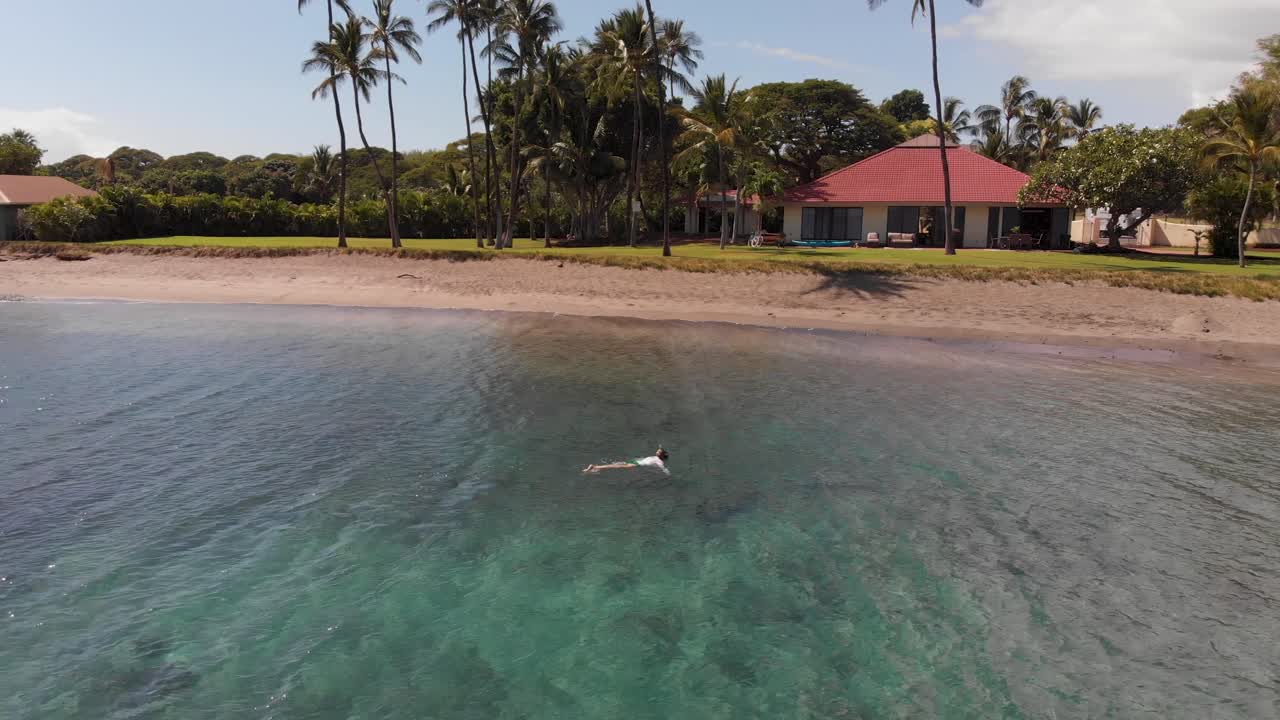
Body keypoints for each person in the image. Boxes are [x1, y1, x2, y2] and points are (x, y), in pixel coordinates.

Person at [584, 447, 670, 476]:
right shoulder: (660, 462)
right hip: (637, 464)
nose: (656, 451)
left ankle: (597, 468)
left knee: (618, 464)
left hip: (636, 461)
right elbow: (663, 468)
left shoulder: (655, 457)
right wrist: (668, 474)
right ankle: (595, 467)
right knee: (617, 467)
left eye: (658, 451)